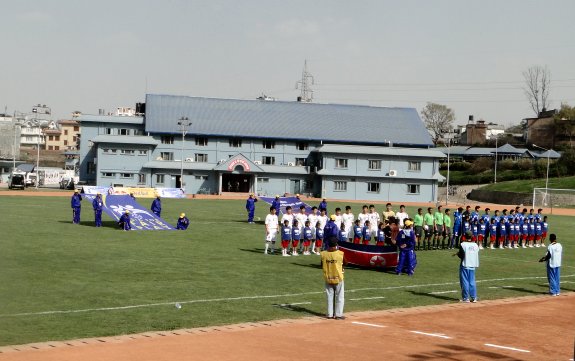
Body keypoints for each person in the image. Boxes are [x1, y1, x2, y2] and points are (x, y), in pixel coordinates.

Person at [320, 237, 347, 319]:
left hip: (328, 277)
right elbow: (346, 262)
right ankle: (338, 314)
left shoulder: (323, 253)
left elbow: (321, 265)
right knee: (340, 296)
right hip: (338, 277)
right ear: (336, 244)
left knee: (329, 296)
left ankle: (329, 314)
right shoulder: (340, 253)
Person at [456, 230, 480, 303]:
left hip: (465, 265)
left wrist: (457, 254)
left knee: (465, 282)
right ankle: (474, 297)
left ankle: (465, 298)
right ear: (472, 236)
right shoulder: (475, 245)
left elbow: (461, 255)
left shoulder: (463, 244)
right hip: (473, 265)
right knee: (472, 281)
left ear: (464, 236)